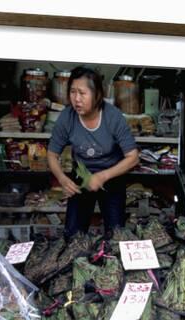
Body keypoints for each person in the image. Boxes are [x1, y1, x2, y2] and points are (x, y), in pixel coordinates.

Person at [47, 66, 140, 238]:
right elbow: (52, 154)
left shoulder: (113, 117)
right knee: (73, 234)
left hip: (111, 176)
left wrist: (102, 176)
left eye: (82, 93)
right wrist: (62, 178)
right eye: (73, 92)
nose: (76, 99)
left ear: (97, 94)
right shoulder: (67, 117)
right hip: (82, 176)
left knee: (115, 234)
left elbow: (132, 157)